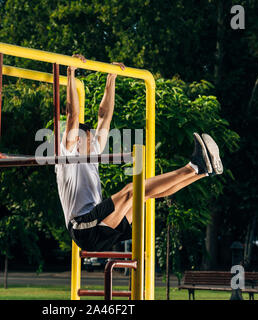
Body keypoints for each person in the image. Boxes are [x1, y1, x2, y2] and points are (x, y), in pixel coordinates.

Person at [55, 54, 223, 252]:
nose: (94, 140)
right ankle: (194, 166)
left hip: (99, 225)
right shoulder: (67, 154)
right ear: (78, 139)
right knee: (131, 190)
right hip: (82, 226)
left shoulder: (92, 154)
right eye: (90, 137)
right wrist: (71, 71)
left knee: (144, 194)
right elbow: (73, 116)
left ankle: (202, 171)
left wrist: (111, 79)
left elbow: (104, 118)